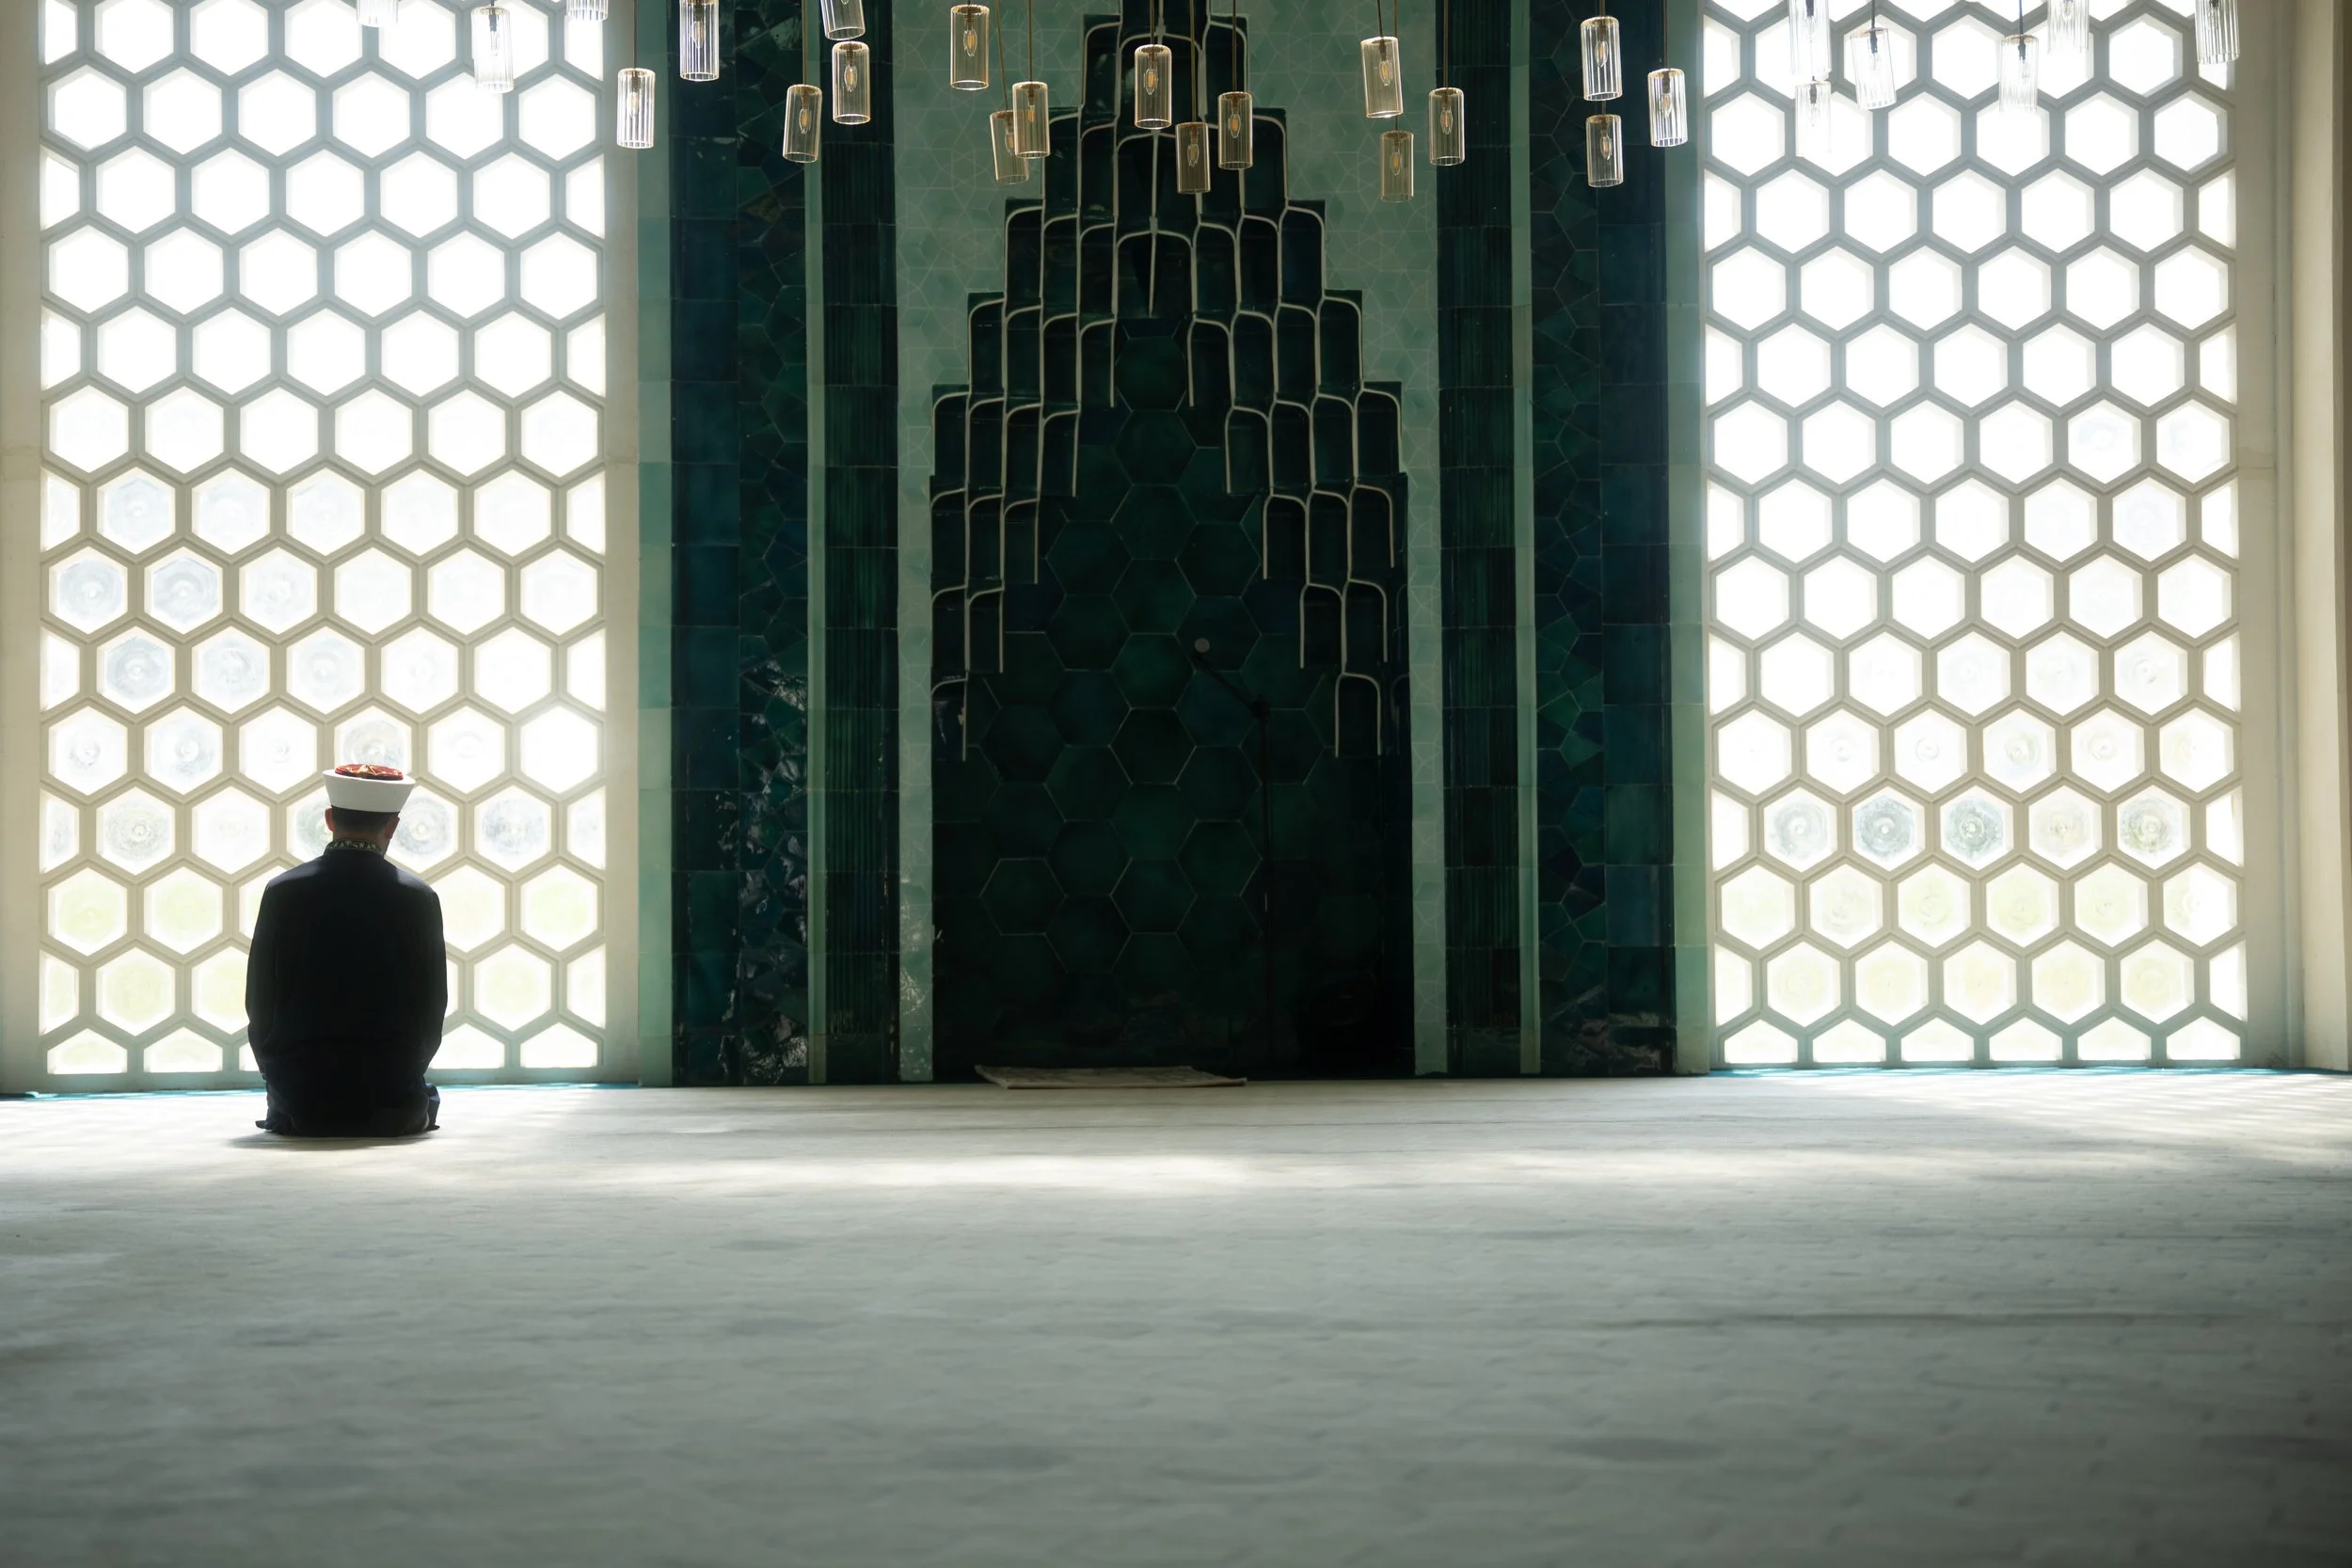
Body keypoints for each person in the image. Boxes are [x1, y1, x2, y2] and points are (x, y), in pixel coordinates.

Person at [247, 764, 447, 1137]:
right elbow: (431, 1010)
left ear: (329, 819)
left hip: (300, 1098)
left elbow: (260, 1001)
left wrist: (278, 1075)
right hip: (390, 1096)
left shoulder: (283, 891)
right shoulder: (418, 898)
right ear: (392, 826)